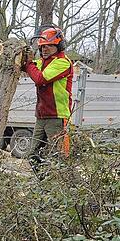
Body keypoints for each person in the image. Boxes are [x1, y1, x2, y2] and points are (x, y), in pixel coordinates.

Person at [22, 26, 74, 168]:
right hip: (41, 116)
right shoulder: (42, 62)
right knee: (33, 155)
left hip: (57, 116)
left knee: (58, 157)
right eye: (42, 47)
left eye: (49, 46)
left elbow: (40, 78)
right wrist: (23, 57)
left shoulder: (62, 62)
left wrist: (29, 64)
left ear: (58, 45)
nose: (45, 49)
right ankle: (44, 184)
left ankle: (62, 186)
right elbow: (29, 67)